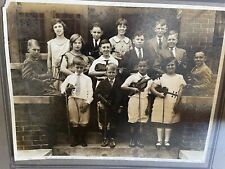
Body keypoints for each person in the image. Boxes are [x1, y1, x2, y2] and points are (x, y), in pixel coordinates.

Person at [150, 57, 186, 149]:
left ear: (176, 66)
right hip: (161, 100)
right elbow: (152, 87)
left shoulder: (180, 77)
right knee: (160, 121)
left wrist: (177, 103)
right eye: (168, 65)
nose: (170, 67)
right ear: (165, 67)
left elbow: (180, 91)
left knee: (169, 121)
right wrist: (158, 94)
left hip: (172, 101)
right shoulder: (162, 77)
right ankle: (159, 141)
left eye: (172, 65)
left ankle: (166, 141)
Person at [61, 56, 93, 147]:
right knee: (74, 119)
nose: (79, 69)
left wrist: (87, 102)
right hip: (72, 98)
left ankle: (82, 139)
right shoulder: (70, 77)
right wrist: (66, 90)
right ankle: (76, 139)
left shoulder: (87, 79)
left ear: (84, 67)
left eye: (81, 68)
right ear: (73, 67)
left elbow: (90, 92)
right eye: (77, 67)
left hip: (83, 99)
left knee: (84, 119)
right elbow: (62, 87)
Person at [121, 59, 153, 148]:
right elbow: (123, 86)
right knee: (133, 120)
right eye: (140, 66)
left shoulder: (150, 80)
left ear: (148, 67)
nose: (142, 68)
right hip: (133, 99)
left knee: (142, 122)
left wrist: (148, 107)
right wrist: (132, 89)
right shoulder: (133, 77)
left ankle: (139, 139)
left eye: (144, 66)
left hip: (144, 100)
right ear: (137, 67)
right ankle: (132, 139)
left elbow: (150, 95)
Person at [95, 63, 123, 148]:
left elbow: (122, 96)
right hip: (105, 107)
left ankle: (112, 138)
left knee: (113, 123)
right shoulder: (102, 83)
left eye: (113, 72)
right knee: (104, 123)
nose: (111, 74)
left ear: (116, 73)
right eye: (109, 72)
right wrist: (100, 103)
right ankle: (104, 138)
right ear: (106, 73)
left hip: (115, 107)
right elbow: (97, 94)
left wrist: (120, 106)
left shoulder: (119, 83)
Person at [47, 18, 70, 90]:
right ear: (53, 29)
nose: (58, 29)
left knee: (65, 90)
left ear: (63, 28)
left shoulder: (69, 42)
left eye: (60, 26)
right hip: (55, 71)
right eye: (55, 27)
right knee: (55, 90)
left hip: (65, 70)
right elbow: (49, 58)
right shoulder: (50, 43)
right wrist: (49, 70)